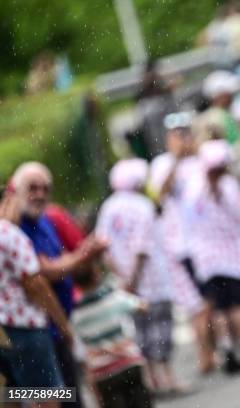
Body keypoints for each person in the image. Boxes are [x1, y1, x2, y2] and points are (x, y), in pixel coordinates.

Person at [12, 161, 106, 408]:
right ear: (14, 191)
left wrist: (80, 255)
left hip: (50, 331)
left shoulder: (44, 221)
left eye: (45, 189)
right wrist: (82, 256)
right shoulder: (12, 230)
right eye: (32, 188)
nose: (39, 194)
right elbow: (39, 277)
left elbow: (57, 261)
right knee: (49, 398)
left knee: (67, 396)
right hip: (35, 332)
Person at [95, 159, 183, 394]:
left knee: (140, 333)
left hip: (124, 283)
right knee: (161, 330)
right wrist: (133, 278)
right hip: (152, 280)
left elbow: (101, 246)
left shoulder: (108, 207)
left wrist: (122, 277)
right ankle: (168, 380)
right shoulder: (142, 205)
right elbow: (141, 247)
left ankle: (150, 381)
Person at [184, 140, 240, 373]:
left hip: (207, 259)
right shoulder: (229, 185)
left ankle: (228, 351)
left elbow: (187, 219)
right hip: (233, 257)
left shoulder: (193, 187)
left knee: (220, 308)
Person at [148, 111, 211, 374]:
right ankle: (204, 355)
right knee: (196, 305)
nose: (182, 138)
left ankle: (215, 352)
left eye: (185, 132)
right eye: (177, 133)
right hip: (179, 245)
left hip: (207, 242)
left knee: (212, 302)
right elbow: (158, 195)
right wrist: (175, 158)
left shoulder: (203, 159)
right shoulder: (162, 163)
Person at [0, 218, 73, 408]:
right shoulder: (8, 233)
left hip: (3, 334)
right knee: (47, 395)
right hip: (25, 329)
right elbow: (34, 282)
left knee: (11, 394)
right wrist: (64, 326)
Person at [71, 263, 153, 408]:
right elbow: (143, 306)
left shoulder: (76, 315)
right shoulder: (114, 298)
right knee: (141, 402)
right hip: (129, 363)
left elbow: (80, 350)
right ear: (96, 275)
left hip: (103, 372)